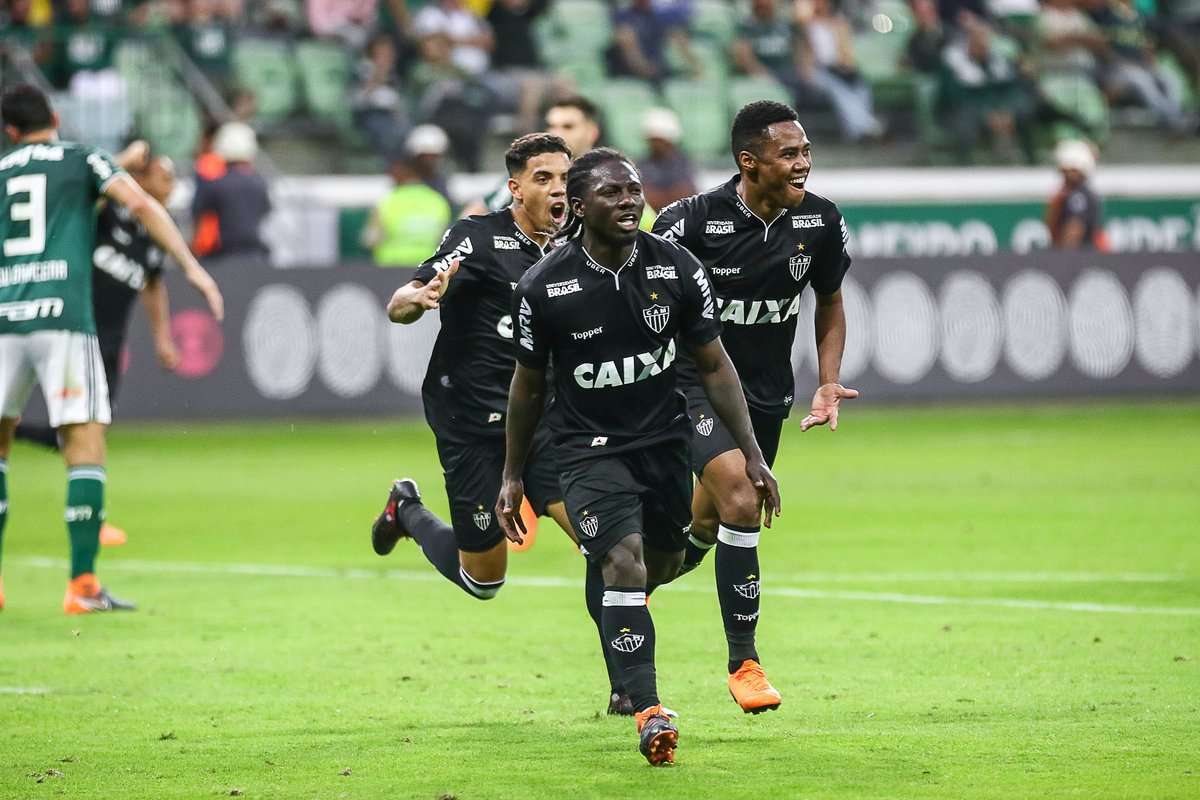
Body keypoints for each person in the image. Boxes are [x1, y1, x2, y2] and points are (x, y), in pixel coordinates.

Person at [497, 148, 782, 765]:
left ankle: (623, 623)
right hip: (586, 451)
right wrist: (514, 473)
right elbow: (527, 385)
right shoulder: (544, 286)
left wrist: (754, 455)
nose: (629, 201)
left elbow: (714, 364)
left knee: (664, 558)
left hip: (662, 444)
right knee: (623, 564)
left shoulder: (675, 267)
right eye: (612, 193)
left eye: (633, 191)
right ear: (579, 206)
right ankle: (649, 709)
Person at [652, 100, 856, 713]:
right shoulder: (688, 222)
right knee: (743, 496)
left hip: (764, 398)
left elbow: (829, 302)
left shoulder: (819, 222)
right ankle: (745, 663)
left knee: (708, 526)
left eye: (806, 152)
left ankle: (623, 595)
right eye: (789, 154)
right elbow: (640, 299)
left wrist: (827, 380)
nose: (803, 165)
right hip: (690, 388)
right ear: (750, 161)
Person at [0, 84, 223, 613]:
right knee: (84, 445)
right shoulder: (82, 158)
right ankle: (82, 587)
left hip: (6, 320)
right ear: (54, 116)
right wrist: (191, 267)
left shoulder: (3, 169)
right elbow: (140, 202)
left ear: (9, 131)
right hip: (65, 320)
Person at [370, 134, 572, 604]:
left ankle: (629, 675)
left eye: (565, 178)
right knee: (483, 581)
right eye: (543, 178)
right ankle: (407, 510)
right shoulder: (478, 238)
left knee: (603, 544)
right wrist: (414, 300)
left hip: (544, 422)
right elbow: (402, 300)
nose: (558, 189)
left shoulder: (581, 245)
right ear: (516, 188)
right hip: (472, 420)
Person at [13, 144, 185, 547]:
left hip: (108, 339)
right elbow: (80, 190)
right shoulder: (108, 210)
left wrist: (162, 337)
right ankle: (93, 517)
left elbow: (154, 285)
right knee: (87, 429)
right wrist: (123, 162)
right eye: (163, 176)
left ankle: (86, 507)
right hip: (73, 327)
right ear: (141, 180)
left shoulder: (157, 232)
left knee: (90, 428)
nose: (171, 186)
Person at [465, 95, 603, 217]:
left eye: (568, 126)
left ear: (592, 132)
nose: (556, 133)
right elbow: (479, 211)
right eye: (552, 126)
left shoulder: (609, 179)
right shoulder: (529, 173)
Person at [190, 121, 272, 263]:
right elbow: (266, 210)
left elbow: (198, 213)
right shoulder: (260, 183)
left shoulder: (215, 184)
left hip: (222, 258)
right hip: (255, 256)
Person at [362, 147, 454, 267]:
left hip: (389, 269)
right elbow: (445, 240)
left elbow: (371, 240)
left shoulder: (387, 201)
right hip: (427, 270)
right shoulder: (438, 201)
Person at [1046, 138, 1106, 249]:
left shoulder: (1078, 196)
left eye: (1065, 170)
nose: (1063, 175)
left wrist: (1060, 260)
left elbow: (1073, 233)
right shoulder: (1083, 194)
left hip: (1078, 261)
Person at [638, 107, 696, 212]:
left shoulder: (682, 163)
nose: (653, 144)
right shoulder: (643, 164)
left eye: (657, 139)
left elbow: (687, 194)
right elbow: (642, 196)